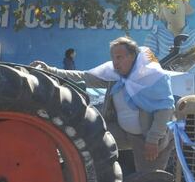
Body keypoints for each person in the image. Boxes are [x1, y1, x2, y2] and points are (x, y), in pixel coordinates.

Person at [32, 37, 175, 173]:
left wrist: (153, 140)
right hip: (123, 132)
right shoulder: (114, 75)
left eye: (119, 57)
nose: (115, 62)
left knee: (149, 180)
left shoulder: (153, 76)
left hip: (148, 138)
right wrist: (50, 71)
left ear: (132, 56)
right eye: (113, 58)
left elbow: (165, 109)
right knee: (89, 139)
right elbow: (83, 77)